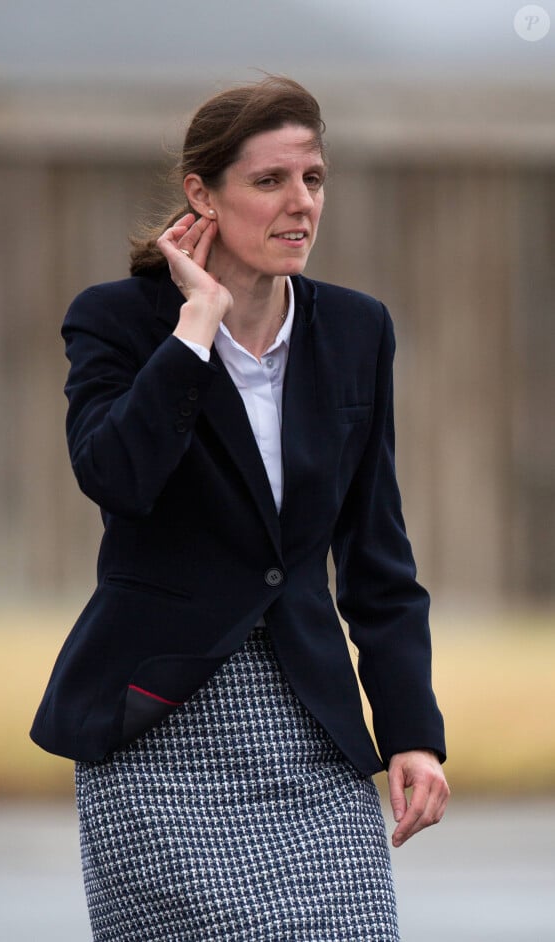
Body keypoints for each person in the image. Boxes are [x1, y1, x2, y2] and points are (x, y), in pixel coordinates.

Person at [31, 75, 449, 941]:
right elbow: (115, 476)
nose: (301, 204)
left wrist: (413, 731)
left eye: (315, 180)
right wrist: (195, 332)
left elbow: (377, 558)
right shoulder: (118, 322)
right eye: (271, 181)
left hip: (311, 730)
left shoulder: (356, 331)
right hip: (161, 731)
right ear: (202, 193)